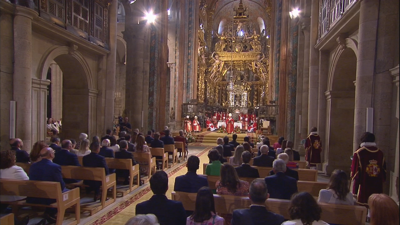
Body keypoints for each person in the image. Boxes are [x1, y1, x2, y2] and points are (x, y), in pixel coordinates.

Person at [27, 147, 67, 223]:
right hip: (51, 198)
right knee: (71, 192)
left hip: (34, 196)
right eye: (53, 152)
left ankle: (49, 213)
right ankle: (51, 213)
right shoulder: (55, 167)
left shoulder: (33, 166)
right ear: (51, 154)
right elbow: (61, 186)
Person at [351, 132, 386, 205]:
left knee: (363, 208)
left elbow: (356, 174)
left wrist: (354, 191)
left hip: (364, 187)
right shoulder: (380, 153)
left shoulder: (359, 153)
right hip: (377, 186)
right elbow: (383, 172)